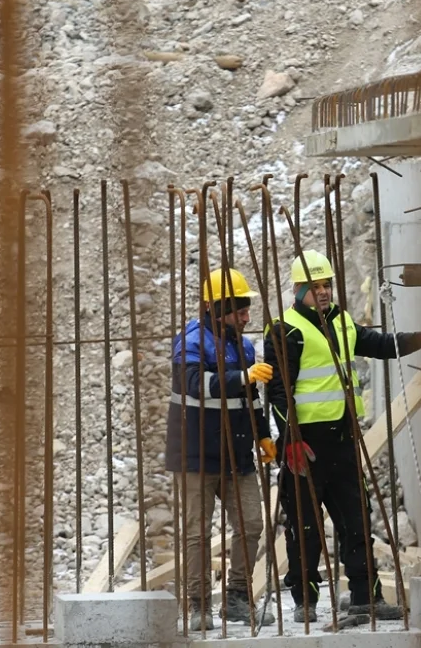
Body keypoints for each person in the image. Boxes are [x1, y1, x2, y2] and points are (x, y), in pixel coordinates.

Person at [263, 250, 421, 623]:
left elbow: (376, 344)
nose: (324, 292)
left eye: (327, 285)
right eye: (316, 286)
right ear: (299, 289)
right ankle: (304, 603)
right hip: (304, 445)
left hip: (342, 439)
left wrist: (418, 339)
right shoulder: (285, 330)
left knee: (356, 521)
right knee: (305, 527)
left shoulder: (341, 321)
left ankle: (364, 597)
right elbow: (278, 391)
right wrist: (288, 440)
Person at [165, 267, 277, 630]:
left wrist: (262, 434)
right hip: (195, 453)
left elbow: (251, 400)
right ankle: (199, 606)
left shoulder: (242, 345)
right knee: (198, 533)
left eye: (246, 310)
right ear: (217, 310)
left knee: (252, 523)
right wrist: (241, 377)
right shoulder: (191, 341)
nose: (247, 317)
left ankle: (238, 598)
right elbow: (194, 383)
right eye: (239, 310)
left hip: (237, 453)